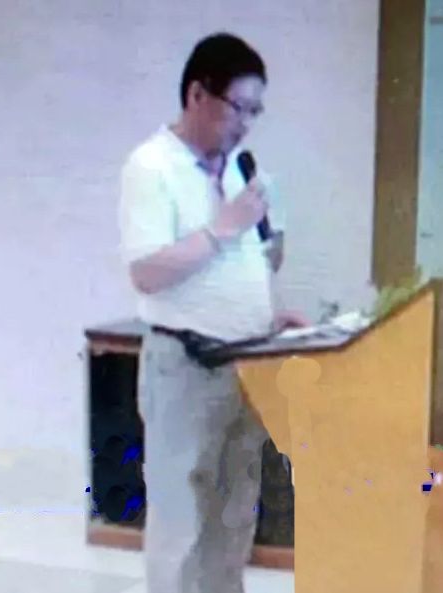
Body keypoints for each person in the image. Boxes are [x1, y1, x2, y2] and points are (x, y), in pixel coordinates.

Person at [118, 32, 307, 593]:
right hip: (187, 366)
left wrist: (268, 317)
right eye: (237, 108)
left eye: (255, 111)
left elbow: (253, 263)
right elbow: (147, 271)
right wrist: (224, 227)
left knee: (234, 517)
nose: (245, 124)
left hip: (246, 364)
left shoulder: (242, 169)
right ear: (198, 95)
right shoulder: (152, 167)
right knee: (181, 523)